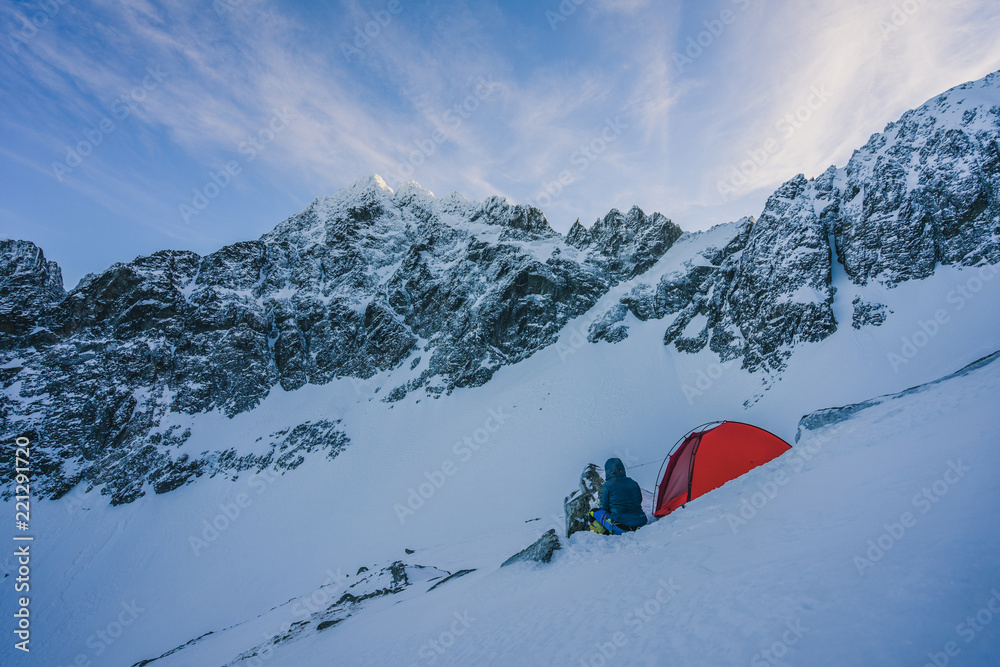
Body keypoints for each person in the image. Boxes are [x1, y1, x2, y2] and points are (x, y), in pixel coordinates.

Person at [588, 457, 648, 535]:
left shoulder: (608, 484)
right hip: (640, 522)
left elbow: (605, 507)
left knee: (592, 512)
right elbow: (639, 501)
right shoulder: (633, 482)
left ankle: (606, 533)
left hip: (620, 525)